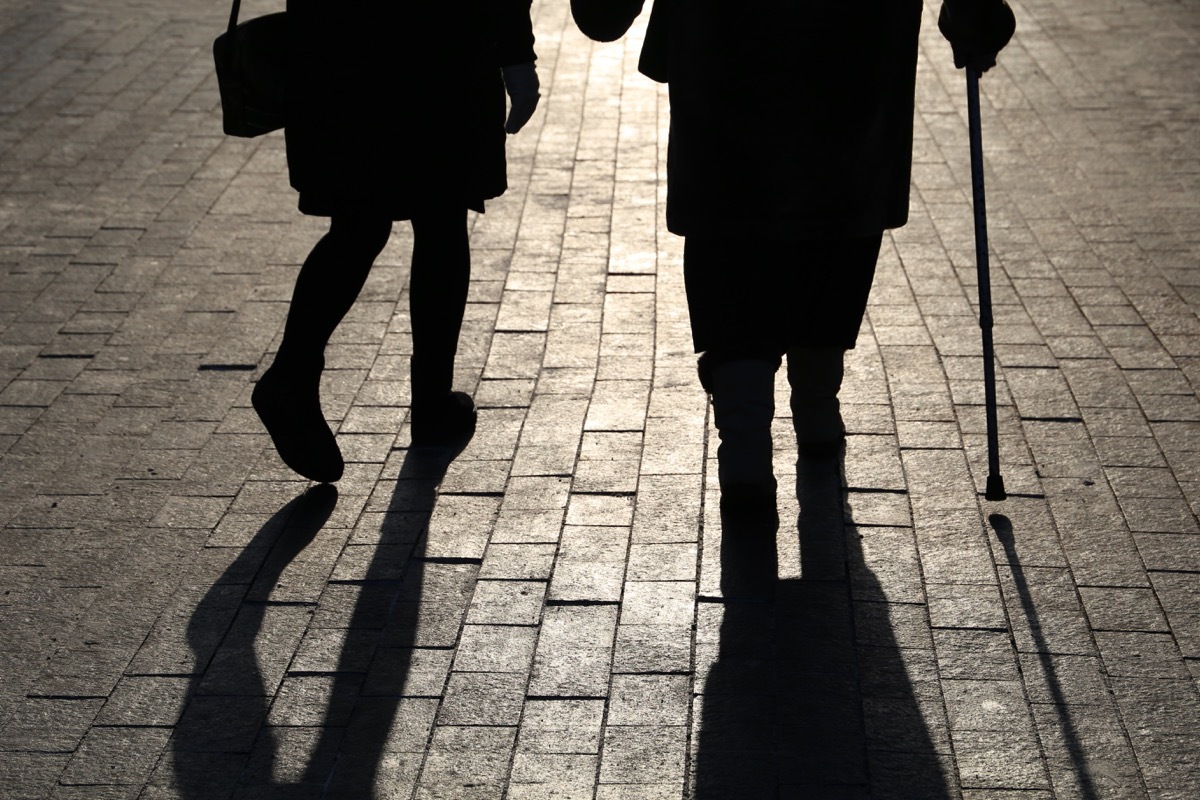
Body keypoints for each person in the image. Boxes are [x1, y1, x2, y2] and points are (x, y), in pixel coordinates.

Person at [572, 0, 1015, 511]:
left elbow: (601, 16)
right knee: (838, 208)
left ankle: (745, 446)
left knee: (730, 230)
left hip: (724, 50)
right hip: (856, 50)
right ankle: (817, 400)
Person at [252, 2, 540, 483]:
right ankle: (430, 401)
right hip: (445, 43)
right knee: (442, 215)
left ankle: (293, 373)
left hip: (342, 44)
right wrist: (515, 56)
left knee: (360, 219)